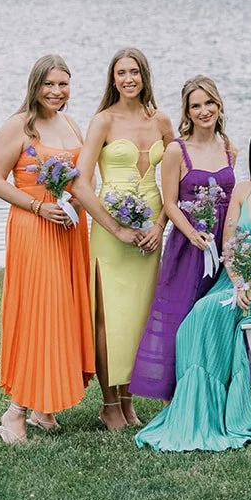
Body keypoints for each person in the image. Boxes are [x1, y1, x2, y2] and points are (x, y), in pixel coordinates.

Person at [134, 121, 251, 452]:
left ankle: (213, 412)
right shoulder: (243, 190)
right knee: (195, 318)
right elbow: (228, 244)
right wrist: (240, 282)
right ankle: (199, 411)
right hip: (235, 281)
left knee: (208, 312)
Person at [0, 55, 98, 444]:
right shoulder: (19, 125)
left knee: (63, 313)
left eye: (63, 84)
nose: (56, 91)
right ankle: (15, 413)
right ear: (35, 85)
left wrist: (81, 206)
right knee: (40, 315)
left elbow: (81, 179)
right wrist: (37, 206)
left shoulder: (69, 123)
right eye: (49, 84)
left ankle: (43, 409)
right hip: (34, 227)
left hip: (68, 229)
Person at [78, 47, 172, 429]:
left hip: (149, 234)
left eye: (135, 72)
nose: (128, 79)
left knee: (141, 316)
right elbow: (80, 184)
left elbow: (179, 180)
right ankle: (109, 403)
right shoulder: (103, 121)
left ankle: (129, 401)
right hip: (111, 232)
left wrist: (159, 225)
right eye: (121, 73)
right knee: (110, 317)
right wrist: (115, 227)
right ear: (112, 79)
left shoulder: (162, 120)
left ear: (145, 76)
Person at [129, 75, 235, 402]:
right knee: (181, 314)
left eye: (209, 103)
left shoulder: (229, 147)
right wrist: (192, 234)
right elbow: (170, 203)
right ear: (187, 112)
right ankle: (172, 396)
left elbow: (236, 198)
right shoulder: (177, 150)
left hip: (222, 244)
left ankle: (214, 385)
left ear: (219, 106)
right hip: (189, 245)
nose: (204, 111)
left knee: (217, 314)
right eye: (196, 106)